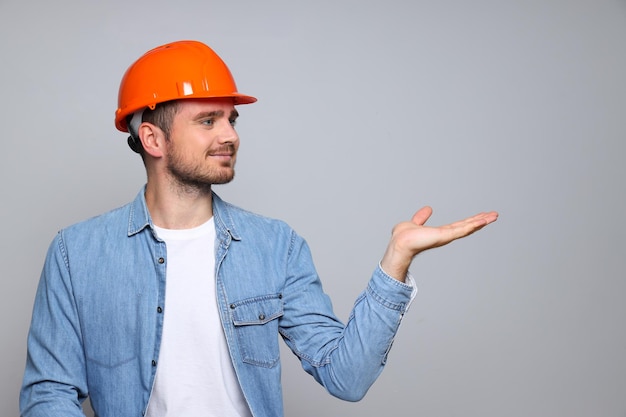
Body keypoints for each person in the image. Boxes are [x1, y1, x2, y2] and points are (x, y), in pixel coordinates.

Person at [19, 40, 498, 417]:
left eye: (231, 119)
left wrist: (395, 262)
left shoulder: (275, 247)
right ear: (152, 138)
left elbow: (346, 378)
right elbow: (49, 394)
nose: (230, 135)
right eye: (207, 120)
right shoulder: (76, 254)